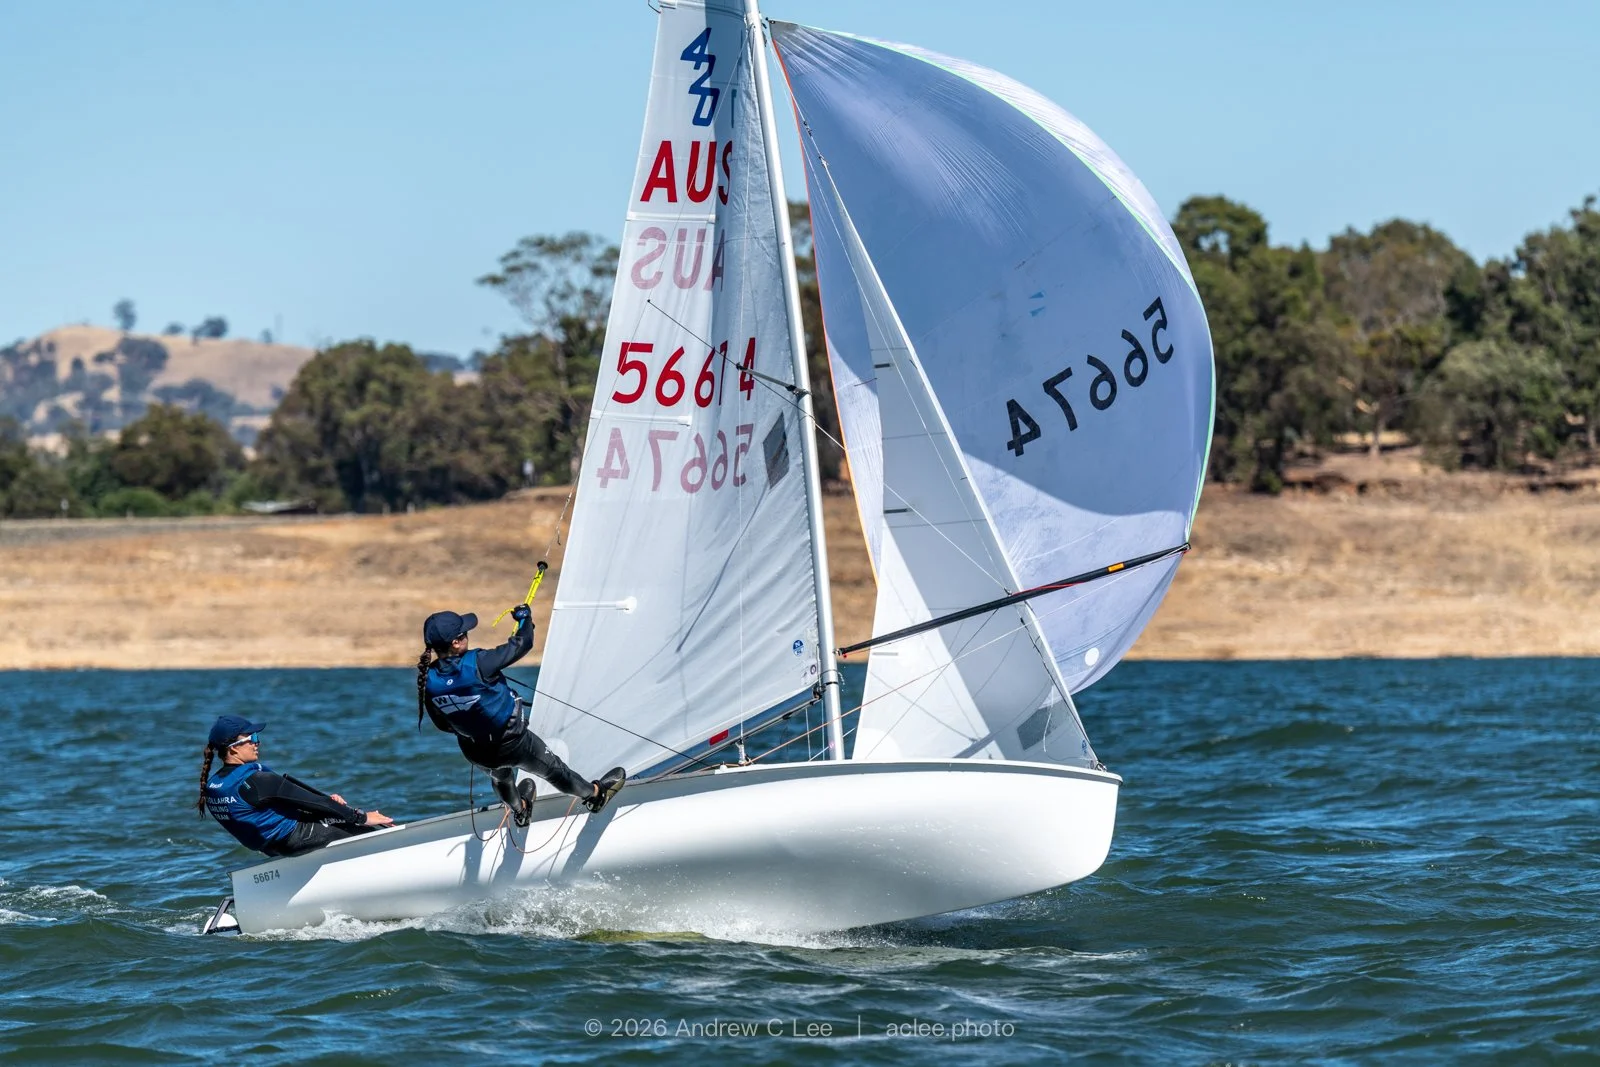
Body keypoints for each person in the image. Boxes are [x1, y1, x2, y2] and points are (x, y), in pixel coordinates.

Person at [416, 607, 625, 825]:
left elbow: (442, 724)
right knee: (555, 771)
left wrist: (473, 725)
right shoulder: (479, 662)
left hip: (475, 751)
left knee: (501, 777)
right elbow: (523, 644)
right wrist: (525, 620)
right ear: (456, 643)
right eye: (464, 633)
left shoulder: (428, 679)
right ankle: (596, 795)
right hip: (514, 744)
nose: (467, 635)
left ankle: (520, 810)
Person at [198, 714, 394, 857]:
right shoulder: (257, 780)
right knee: (362, 827)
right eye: (252, 739)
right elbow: (313, 802)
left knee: (334, 812)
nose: (257, 743)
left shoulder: (213, 786)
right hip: (300, 838)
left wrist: (330, 804)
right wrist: (361, 817)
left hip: (273, 848)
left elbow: (273, 808)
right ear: (233, 749)